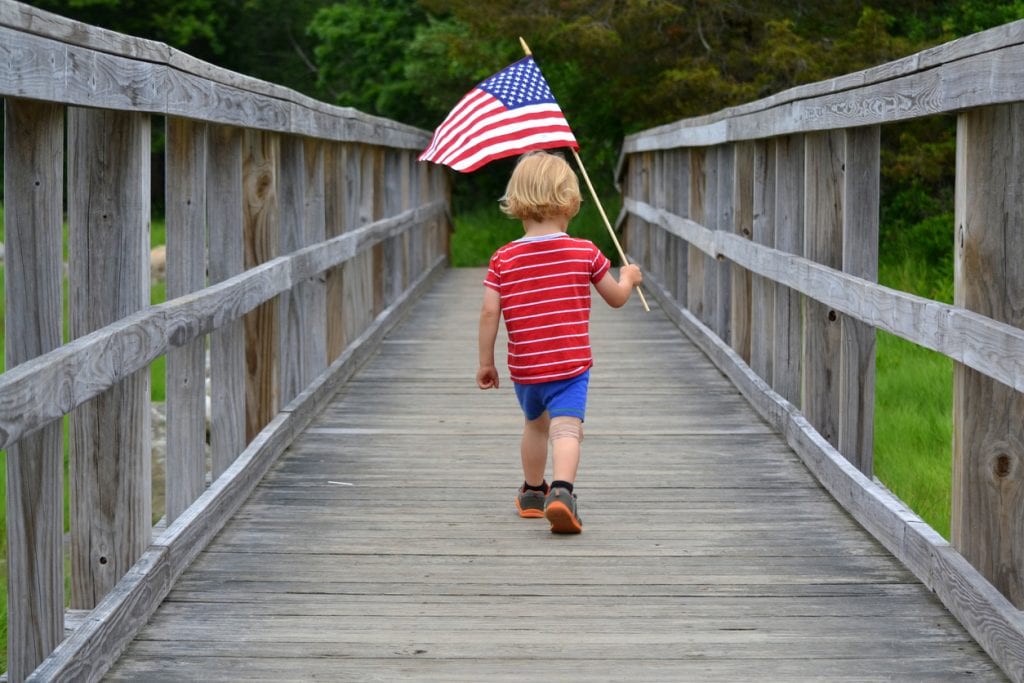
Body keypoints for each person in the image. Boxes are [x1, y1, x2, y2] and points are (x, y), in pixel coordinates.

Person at [476, 151, 643, 534]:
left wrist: (486, 361)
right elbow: (616, 298)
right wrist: (629, 278)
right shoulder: (585, 251)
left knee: (535, 426)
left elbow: (489, 314)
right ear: (571, 202)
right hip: (569, 365)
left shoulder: (503, 258)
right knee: (566, 429)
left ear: (515, 202)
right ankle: (563, 492)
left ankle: (534, 492)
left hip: (526, 368)